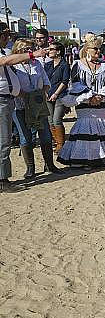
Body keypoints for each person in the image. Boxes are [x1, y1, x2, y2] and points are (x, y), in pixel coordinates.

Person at [58, 39, 105, 166]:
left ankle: (103, 158)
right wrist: (89, 97)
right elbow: (75, 83)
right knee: (86, 127)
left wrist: (100, 95)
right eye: (95, 49)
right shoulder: (78, 64)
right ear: (87, 50)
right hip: (85, 103)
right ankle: (85, 160)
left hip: (101, 103)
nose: (98, 51)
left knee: (102, 126)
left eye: (99, 49)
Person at [0, 24, 47, 192]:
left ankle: (3, 178)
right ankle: (3, 180)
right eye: (4, 35)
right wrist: (32, 53)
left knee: (5, 141)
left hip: (9, 99)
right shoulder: (4, 55)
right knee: (4, 141)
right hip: (2, 101)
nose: (7, 39)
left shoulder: (4, 51)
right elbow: (5, 62)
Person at [11, 38, 63, 178]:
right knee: (26, 138)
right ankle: (30, 168)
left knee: (45, 135)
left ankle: (49, 165)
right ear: (18, 51)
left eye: (31, 49)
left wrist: (40, 94)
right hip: (20, 106)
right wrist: (26, 96)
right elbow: (13, 87)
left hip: (38, 105)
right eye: (27, 49)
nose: (30, 51)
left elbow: (46, 83)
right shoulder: (13, 67)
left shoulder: (37, 64)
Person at [44, 42, 70, 154]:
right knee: (50, 121)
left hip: (60, 95)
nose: (49, 51)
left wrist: (55, 93)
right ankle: (56, 141)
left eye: (51, 49)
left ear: (58, 51)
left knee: (56, 120)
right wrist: (45, 92)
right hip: (48, 95)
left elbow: (65, 81)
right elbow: (44, 79)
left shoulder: (64, 65)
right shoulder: (48, 65)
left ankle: (60, 144)